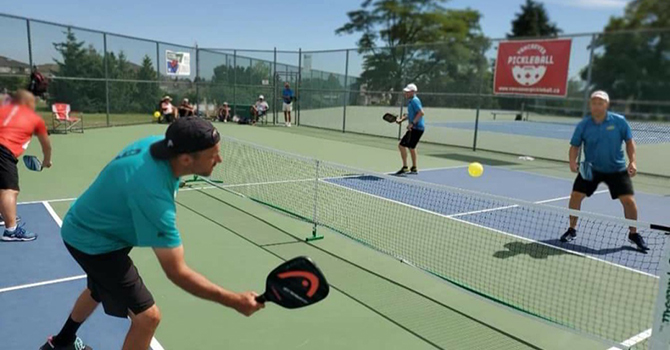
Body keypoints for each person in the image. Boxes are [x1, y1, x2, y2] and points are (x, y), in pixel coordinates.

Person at [40, 117, 264, 350]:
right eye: (212, 155)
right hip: (94, 242)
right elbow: (177, 272)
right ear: (186, 159)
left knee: (98, 289)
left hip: (92, 224)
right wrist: (235, 300)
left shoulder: (160, 144)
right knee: (148, 318)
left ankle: (61, 342)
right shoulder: (153, 195)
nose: (220, 159)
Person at [560, 90, 648, 251]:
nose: (597, 105)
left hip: (616, 168)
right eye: (594, 102)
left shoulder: (619, 121)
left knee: (628, 201)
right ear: (590, 105)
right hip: (590, 167)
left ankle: (634, 234)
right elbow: (575, 146)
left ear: (606, 104)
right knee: (575, 196)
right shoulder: (584, 125)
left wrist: (633, 161)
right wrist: (572, 161)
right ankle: (572, 229)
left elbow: (629, 142)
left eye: (600, 102)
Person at [0, 89, 52, 242]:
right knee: (10, 190)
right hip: (4, 151)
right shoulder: (34, 119)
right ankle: (11, 231)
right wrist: (47, 161)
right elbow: (46, 145)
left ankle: (3, 214)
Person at [394, 83, 425, 175]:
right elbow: (411, 115)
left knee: (401, 145)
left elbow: (421, 113)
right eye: (405, 92)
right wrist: (401, 119)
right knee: (411, 147)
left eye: (407, 92)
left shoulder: (415, 101)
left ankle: (405, 167)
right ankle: (414, 167)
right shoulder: (411, 101)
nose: (405, 93)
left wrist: (412, 123)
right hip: (416, 128)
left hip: (417, 128)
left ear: (413, 92)